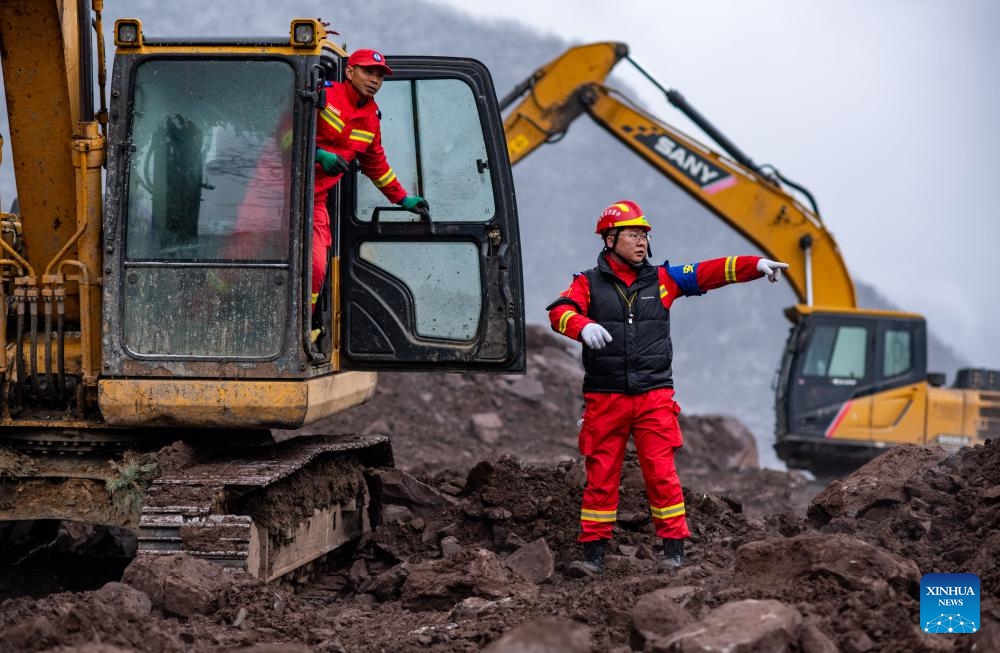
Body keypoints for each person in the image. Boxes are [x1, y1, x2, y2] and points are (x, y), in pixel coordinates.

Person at [545, 200, 789, 576]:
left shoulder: (663, 280)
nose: (642, 241)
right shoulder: (587, 283)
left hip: (654, 396)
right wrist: (581, 326)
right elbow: (558, 312)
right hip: (605, 397)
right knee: (601, 475)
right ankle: (593, 555)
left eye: (644, 234)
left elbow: (710, 272)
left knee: (662, 474)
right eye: (632, 234)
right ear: (610, 239)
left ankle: (673, 550)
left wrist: (754, 266)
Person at [312, 48, 429, 308]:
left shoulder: (371, 120)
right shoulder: (323, 94)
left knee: (317, 267)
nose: (374, 80)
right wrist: (317, 155)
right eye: (368, 71)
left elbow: (377, 165)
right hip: (274, 190)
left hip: (315, 199)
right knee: (244, 251)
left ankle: (301, 326)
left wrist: (403, 200)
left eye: (380, 75)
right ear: (350, 71)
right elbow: (284, 137)